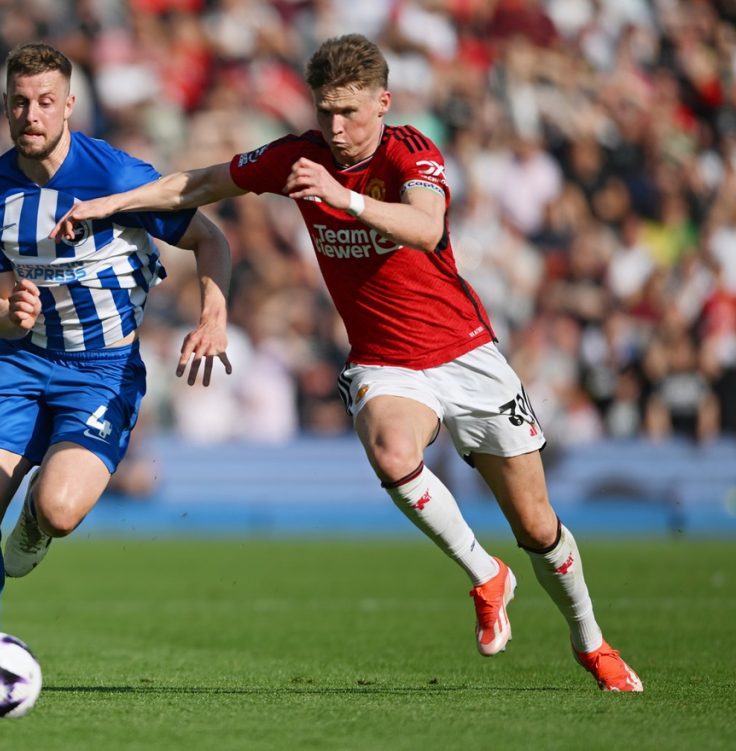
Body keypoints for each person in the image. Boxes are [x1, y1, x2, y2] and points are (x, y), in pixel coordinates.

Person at [55, 34, 642, 692]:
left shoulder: (410, 151)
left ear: (383, 102)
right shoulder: (298, 157)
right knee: (393, 452)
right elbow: (202, 183)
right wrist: (110, 204)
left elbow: (426, 227)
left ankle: (591, 639)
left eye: (350, 113)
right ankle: (485, 574)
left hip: (468, 354)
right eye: (326, 111)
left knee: (536, 524)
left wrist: (345, 196)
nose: (336, 128)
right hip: (386, 360)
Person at [0, 43, 232, 639]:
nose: (32, 115)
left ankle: (35, 519)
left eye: (46, 102)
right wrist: (11, 313)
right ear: (4, 105)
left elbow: (211, 240)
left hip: (103, 371)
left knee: (57, 511)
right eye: (21, 102)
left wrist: (213, 313)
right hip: (22, 364)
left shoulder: (116, 176)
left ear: (70, 105)